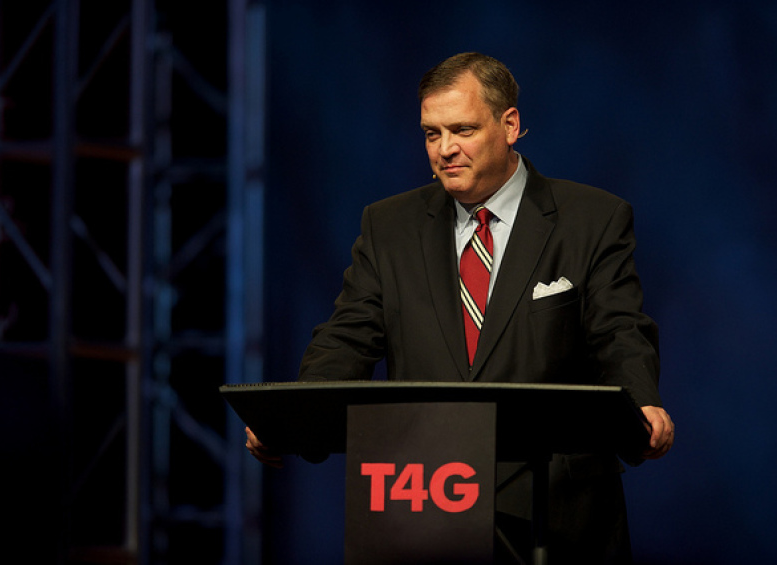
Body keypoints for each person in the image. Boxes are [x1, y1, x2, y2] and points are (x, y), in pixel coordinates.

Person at [246, 52, 674, 563]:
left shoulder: (593, 219)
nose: (445, 149)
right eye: (432, 134)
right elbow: (347, 337)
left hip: (555, 515)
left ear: (510, 124)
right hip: (423, 507)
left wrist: (643, 402)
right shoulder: (390, 227)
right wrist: (299, 418)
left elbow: (618, 330)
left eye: (463, 130)